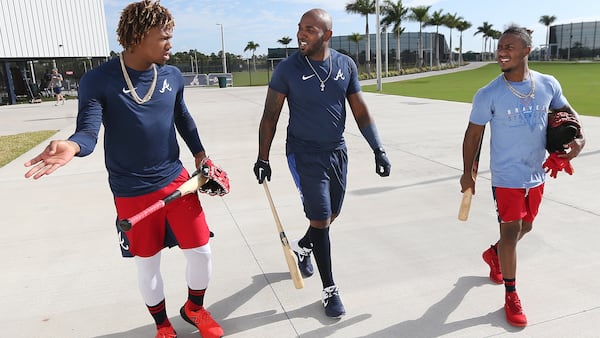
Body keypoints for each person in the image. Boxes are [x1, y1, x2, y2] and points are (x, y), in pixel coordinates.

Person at [24, 1, 224, 337]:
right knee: (148, 263)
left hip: (175, 179)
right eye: (164, 37)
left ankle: (194, 308)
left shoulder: (172, 75)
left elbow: (183, 119)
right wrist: (72, 146)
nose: (170, 44)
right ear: (140, 36)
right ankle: (162, 325)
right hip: (132, 191)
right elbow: (88, 130)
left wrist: (201, 157)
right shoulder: (98, 80)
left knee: (201, 252)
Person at [253, 8, 391, 318]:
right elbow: (270, 115)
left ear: (326, 35)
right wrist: (262, 157)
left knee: (331, 214)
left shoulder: (345, 65)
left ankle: (303, 247)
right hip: (303, 153)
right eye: (300, 27)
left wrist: (377, 149)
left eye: (310, 29)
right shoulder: (287, 69)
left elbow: (359, 110)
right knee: (321, 215)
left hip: (336, 151)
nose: (302, 33)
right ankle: (330, 290)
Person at [460, 25, 585, 327]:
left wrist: (580, 139)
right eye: (500, 46)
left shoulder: (547, 84)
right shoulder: (488, 94)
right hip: (505, 176)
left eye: (510, 47)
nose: (502, 51)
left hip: (537, 172)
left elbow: (567, 113)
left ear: (527, 51)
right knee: (511, 231)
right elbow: (472, 135)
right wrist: (468, 174)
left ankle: (494, 255)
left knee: (524, 229)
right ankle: (511, 294)